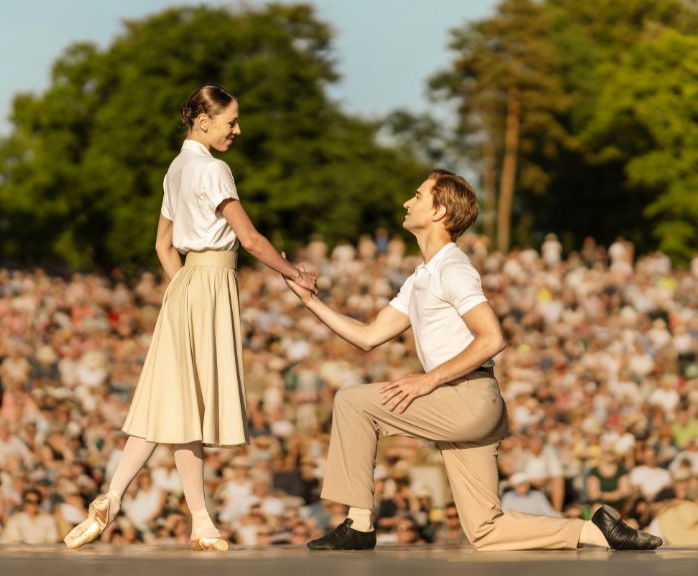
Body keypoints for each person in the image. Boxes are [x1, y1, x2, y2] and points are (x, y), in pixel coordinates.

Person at [282, 169, 662, 551]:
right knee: (484, 530)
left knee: (352, 402)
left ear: (439, 211)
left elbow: (492, 337)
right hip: (470, 405)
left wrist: (427, 381)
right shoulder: (421, 277)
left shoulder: (453, 267)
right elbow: (368, 336)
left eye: (417, 195)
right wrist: (309, 301)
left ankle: (359, 524)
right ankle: (596, 530)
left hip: (466, 398)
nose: (406, 202)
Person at [64, 84, 317, 551]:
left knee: (178, 407)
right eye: (231, 121)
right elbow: (251, 239)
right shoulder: (213, 169)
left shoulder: (175, 169)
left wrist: (183, 285)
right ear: (204, 121)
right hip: (208, 288)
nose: (237, 130)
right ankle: (187, 517)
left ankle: (137, 503)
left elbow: (163, 245)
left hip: (184, 288)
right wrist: (294, 274)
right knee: (185, 408)